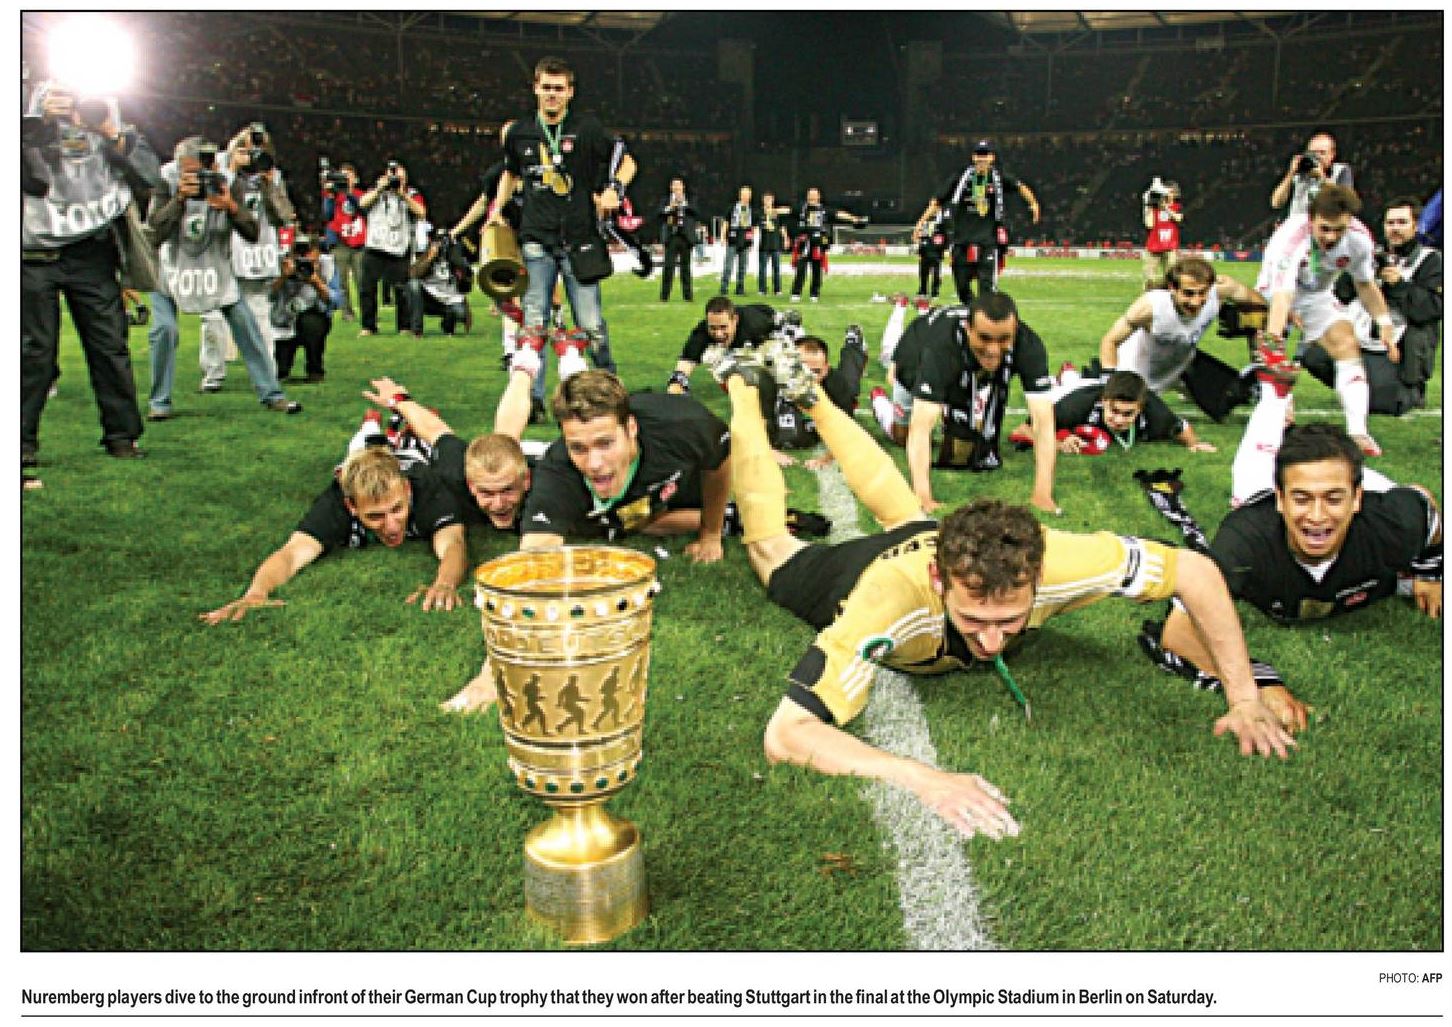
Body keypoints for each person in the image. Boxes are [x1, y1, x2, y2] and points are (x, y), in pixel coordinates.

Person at [701, 337, 1294, 839]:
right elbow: (786, 734)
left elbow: (1195, 570)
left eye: (1009, 620)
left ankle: (812, 397)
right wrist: (923, 778)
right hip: (858, 574)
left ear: (1036, 576)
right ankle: (743, 385)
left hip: (926, 538)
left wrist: (1244, 696)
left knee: (909, 516)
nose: (991, 642)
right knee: (771, 548)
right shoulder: (889, 599)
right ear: (940, 580)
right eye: (975, 621)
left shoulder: (1059, 561)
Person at [1145, 365, 1441, 734]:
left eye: (1334, 499)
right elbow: (1176, 633)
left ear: (1357, 499)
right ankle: (1274, 395)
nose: (1316, 517)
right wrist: (1261, 682)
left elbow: (1426, 506)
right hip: (1256, 492)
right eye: (1301, 499)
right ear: (1281, 500)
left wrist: (1429, 572)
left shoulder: (1390, 521)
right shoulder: (1245, 541)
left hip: (1367, 499)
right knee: (1254, 465)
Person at [22, 78, 160, 466]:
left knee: (109, 345)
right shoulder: (24, 131)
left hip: (92, 252)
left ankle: (122, 436)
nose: (70, 106)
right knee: (35, 352)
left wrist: (111, 132)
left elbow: (150, 177)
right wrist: (37, 126)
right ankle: (20, 442)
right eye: (58, 97)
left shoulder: (109, 131)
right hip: (34, 252)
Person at [489, 55, 636, 409]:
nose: (552, 94)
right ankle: (532, 398)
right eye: (546, 88)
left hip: (579, 238)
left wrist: (615, 188)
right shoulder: (520, 132)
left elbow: (628, 161)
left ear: (570, 92)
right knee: (533, 323)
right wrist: (496, 211)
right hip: (536, 238)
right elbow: (511, 173)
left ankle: (609, 386)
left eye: (559, 88)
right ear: (535, 89)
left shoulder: (587, 129)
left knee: (591, 323)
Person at [200, 444, 470, 625]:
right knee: (362, 444)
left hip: (417, 456)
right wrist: (256, 593)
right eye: (375, 516)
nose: (391, 526)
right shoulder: (333, 505)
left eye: (397, 509)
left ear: (407, 491)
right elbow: (292, 553)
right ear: (351, 506)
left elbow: (453, 543)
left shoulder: (429, 490)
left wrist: (445, 583)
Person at [145, 136, 300, 419]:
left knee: (247, 328)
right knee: (164, 330)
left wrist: (231, 207)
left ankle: (272, 394)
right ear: (179, 165)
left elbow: (252, 232)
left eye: (205, 167)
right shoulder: (165, 179)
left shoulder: (228, 181)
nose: (200, 175)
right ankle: (159, 402)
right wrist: (179, 199)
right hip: (171, 269)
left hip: (216, 269)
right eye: (191, 170)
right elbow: (154, 233)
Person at [876, 292, 1060, 515]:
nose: (993, 350)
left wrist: (1043, 494)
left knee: (969, 435)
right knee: (902, 436)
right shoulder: (941, 346)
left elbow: (1044, 421)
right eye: (984, 338)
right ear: (967, 329)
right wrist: (923, 496)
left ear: (1016, 329)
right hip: (914, 358)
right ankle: (880, 402)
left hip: (963, 366)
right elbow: (921, 427)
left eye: (1003, 339)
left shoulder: (1029, 344)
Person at [1257, 184, 1398, 456]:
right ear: (1311, 219)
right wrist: (1274, 344)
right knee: (1274, 355)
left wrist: (1384, 323)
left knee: (1346, 342)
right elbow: (1282, 297)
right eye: (1324, 228)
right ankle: (1274, 422)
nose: (1331, 237)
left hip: (1316, 294)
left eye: (1339, 229)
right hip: (1273, 291)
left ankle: (1358, 432)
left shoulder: (1359, 240)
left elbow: (1365, 284)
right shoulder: (1291, 239)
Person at [1302, 195, 1443, 415]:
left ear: (1416, 226)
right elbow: (1340, 294)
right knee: (1313, 357)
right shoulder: (1370, 253)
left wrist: (1399, 285)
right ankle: (1357, 384)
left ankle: (1409, 391)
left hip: (1397, 347)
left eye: (1402, 222)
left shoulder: (1431, 260)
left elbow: (1432, 309)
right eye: (1390, 223)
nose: (1395, 228)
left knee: (1387, 405)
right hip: (1360, 338)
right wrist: (1364, 275)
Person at [1098, 257, 1267, 421]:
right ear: (1172, 287)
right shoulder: (1151, 307)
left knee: (1236, 396)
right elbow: (1110, 341)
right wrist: (1110, 383)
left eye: (1202, 293)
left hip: (1183, 367)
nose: (1195, 302)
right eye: (1188, 293)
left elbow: (1261, 305)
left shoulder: (1220, 292)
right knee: (1144, 420)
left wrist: (1254, 319)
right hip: (1139, 375)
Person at [200, 123, 294, 392]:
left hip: (258, 253)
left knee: (261, 318)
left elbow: (284, 216)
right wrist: (231, 168)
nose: (253, 156)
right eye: (247, 149)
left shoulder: (271, 175)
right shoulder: (221, 170)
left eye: (258, 150)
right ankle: (213, 374)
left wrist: (269, 184)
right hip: (223, 250)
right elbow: (211, 203)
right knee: (213, 317)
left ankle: (267, 374)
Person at [917, 139, 1041, 305]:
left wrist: (1033, 203)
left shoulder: (998, 177)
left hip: (988, 241)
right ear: (973, 157)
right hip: (961, 240)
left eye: (985, 155)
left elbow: (1020, 186)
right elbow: (937, 200)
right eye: (978, 155)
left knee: (986, 289)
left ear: (992, 158)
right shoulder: (960, 178)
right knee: (962, 287)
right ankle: (973, 311)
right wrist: (922, 222)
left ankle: (983, 315)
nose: (982, 158)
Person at [1015, 370, 1215, 456]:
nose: (1118, 420)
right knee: (1065, 384)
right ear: (1104, 402)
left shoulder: (1156, 413)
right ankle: (1066, 375)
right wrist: (1059, 444)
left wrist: (1194, 444)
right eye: (1114, 411)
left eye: (1128, 414)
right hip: (1079, 390)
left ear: (1140, 408)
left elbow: (1181, 426)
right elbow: (1022, 430)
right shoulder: (1075, 406)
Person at [760, 329, 867, 469]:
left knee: (851, 381)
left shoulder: (837, 386)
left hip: (836, 387)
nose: (808, 377)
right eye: (801, 369)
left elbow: (847, 432)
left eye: (816, 371)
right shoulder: (770, 379)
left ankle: (853, 342)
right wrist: (768, 451)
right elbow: (748, 423)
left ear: (826, 369)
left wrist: (827, 459)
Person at [357, 160, 426, 337]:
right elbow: (362, 203)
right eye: (392, 173)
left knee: (402, 290)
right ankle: (368, 326)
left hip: (399, 248)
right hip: (375, 246)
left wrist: (403, 195)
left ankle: (404, 326)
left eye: (399, 173)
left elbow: (421, 212)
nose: (395, 177)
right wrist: (380, 189)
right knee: (367, 288)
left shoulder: (412, 193)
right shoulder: (376, 191)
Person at [665, 296, 784, 394]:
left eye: (723, 327)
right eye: (713, 328)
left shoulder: (757, 326)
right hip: (743, 341)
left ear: (735, 320)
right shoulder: (702, 331)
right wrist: (676, 386)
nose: (718, 334)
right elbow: (686, 362)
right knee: (720, 362)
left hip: (768, 322)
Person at [270, 234, 340, 383]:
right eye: (299, 255)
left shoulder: (327, 264)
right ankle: (282, 366)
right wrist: (283, 277)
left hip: (311, 318)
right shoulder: (279, 261)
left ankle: (315, 369)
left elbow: (335, 302)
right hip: (282, 322)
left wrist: (316, 282)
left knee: (313, 323)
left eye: (310, 257)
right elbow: (267, 296)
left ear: (318, 253)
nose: (303, 261)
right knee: (279, 373)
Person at [787, 186, 867, 303]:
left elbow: (839, 214)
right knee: (801, 268)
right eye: (810, 194)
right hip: (804, 242)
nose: (812, 196)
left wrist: (854, 219)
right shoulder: (801, 208)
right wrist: (773, 210)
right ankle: (796, 293)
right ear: (807, 196)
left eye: (814, 194)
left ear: (819, 196)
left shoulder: (823, 209)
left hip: (818, 243)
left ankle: (814, 294)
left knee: (817, 269)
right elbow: (787, 210)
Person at [1270, 131, 1354, 220]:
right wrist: (1290, 173)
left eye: (1322, 153)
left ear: (1332, 155)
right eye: (1313, 153)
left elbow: (1345, 202)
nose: (1317, 157)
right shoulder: (1300, 173)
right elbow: (1276, 203)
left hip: (1326, 224)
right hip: (1298, 224)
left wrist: (1321, 177)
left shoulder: (1341, 171)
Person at [320, 160, 364, 321]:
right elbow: (327, 215)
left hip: (358, 241)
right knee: (342, 281)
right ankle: (347, 313)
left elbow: (361, 207)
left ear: (355, 179)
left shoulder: (360, 194)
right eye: (342, 176)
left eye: (348, 176)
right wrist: (330, 196)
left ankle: (367, 312)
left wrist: (348, 192)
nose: (345, 179)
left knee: (361, 280)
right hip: (340, 242)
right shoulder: (333, 195)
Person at [406, 229, 472, 336]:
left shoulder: (455, 257)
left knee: (460, 313)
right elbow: (414, 274)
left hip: (449, 300)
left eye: (443, 241)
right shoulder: (425, 254)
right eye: (437, 241)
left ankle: (448, 325)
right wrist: (430, 259)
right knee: (413, 284)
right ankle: (417, 330)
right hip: (428, 299)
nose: (440, 245)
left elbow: (467, 288)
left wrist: (462, 272)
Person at [657, 176, 700, 303]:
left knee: (685, 268)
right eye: (674, 185)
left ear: (683, 187)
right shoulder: (666, 200)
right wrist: (670, 207)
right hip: (672, 237)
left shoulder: (690, 199)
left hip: (686, 237)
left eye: (679, 185)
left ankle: (688, 296)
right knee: (668, 267)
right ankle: (664, 296)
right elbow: (659, 213)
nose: (676, 187)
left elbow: (696, 212)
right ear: (671, 187)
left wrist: (684, 204)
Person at [1142, 177, 1182, 289]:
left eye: (1170, 192)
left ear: (1174, 194)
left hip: (1170, 246)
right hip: (1154, 246)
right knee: (1149, 277)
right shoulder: (1154, 208)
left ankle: (1169, 295)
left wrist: (1166, 208)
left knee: (1171, 275)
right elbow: (1149, 225)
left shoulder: (1177, 207)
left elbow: (1179, 218)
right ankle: (1148, 294)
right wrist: (1147, 207)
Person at [720, 185, 755, 296]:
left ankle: (740, 288)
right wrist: (723, 237)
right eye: (744, 194)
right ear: (740, 195)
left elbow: (753, 227)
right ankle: (724, 287)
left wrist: (752, 241)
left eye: (748, 195)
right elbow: (726, 223)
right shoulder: (732, 208)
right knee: (728, 265)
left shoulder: (751, 210)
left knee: (743, 266)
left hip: (745, 239)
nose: (746, 197)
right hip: (733, 237)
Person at [756, 190, 790, 296]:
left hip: (775, 244)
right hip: (763, 244)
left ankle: (777, 289)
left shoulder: (777, 213)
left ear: (773, 200)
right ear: (763, 200)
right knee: (762, 269)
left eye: (769, 199)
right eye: (766, 199)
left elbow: (782, 227)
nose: (768, 201)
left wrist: (786, 238)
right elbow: (755, 227)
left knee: (776, 268)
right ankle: (762, 289)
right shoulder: (759, 213)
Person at [914, 207, 950, 300]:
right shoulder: (924, 223)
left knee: (936, 274)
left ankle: (935, 292)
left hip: (936, 253)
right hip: (925, 252)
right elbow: (920, 238)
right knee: (923, 273)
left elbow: (945, 237)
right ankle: (923, 291)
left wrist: (945, 249)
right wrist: (919, 250)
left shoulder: (941, 225)